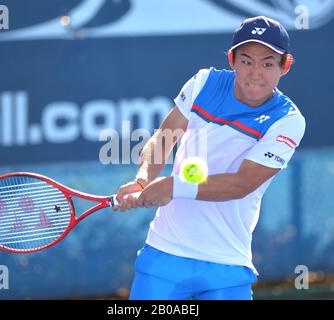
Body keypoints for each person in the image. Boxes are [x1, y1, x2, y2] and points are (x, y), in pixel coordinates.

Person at [113, 16, 306, 300]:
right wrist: (143, 179)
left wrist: (171, 187)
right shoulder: (204, 82)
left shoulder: (288, 120)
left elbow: (242, 183)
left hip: (227, 265)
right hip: (165, 253)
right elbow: (165, 136)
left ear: (284, 66)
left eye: (267, 63)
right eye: (246, 61)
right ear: (232, 59)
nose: (255, 73)